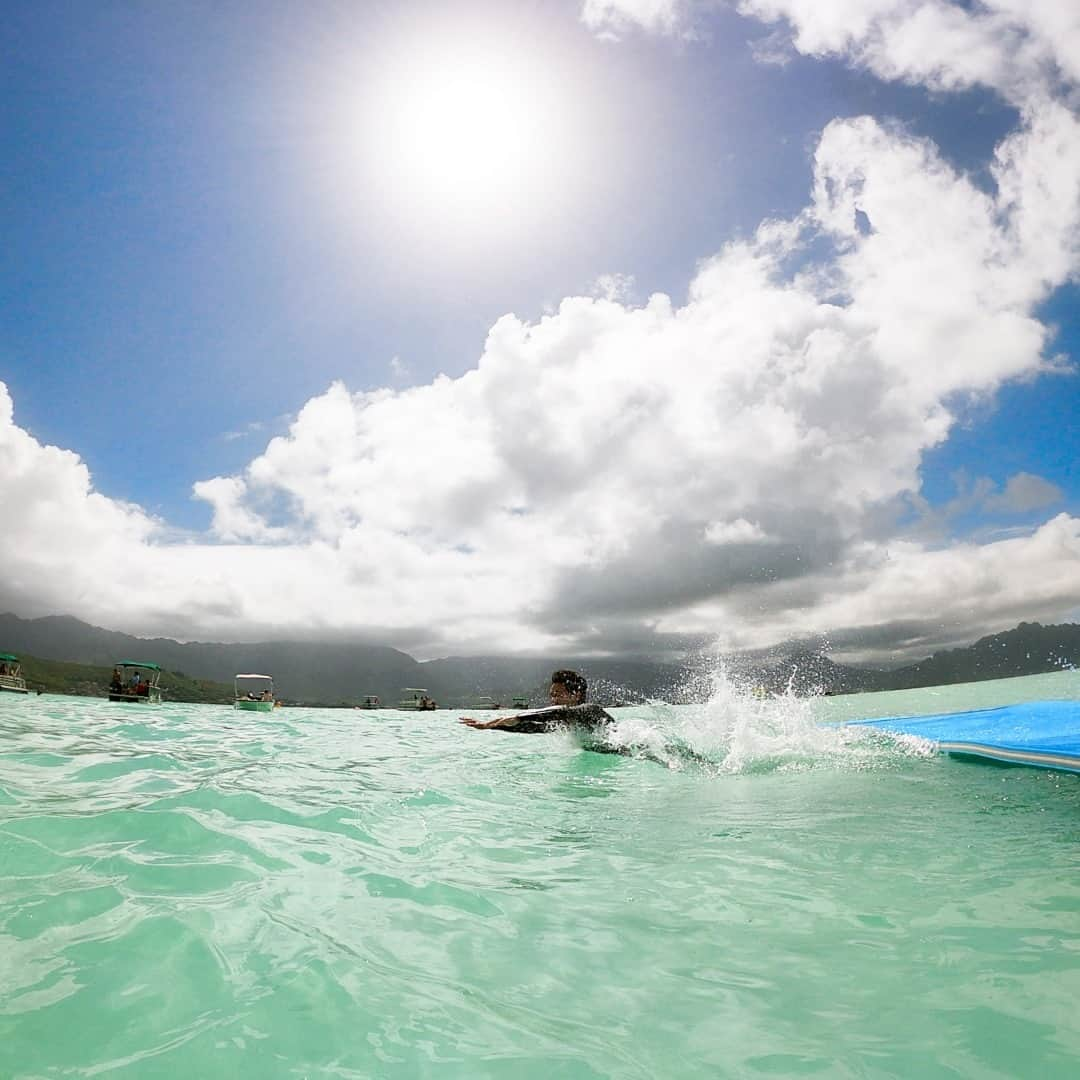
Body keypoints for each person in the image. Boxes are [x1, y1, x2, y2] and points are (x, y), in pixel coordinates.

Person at [460, 669, 612, 734]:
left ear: (577, 695)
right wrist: (489, 726)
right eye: (552, 695)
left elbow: (560, 711)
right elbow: (529, 727)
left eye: (558, 694)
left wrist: (517, 717)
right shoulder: (562, 726)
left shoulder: (591, 710)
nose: (553, 699)